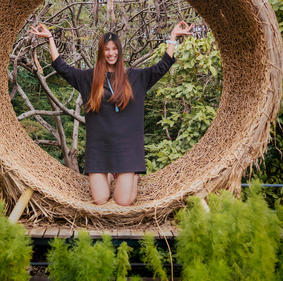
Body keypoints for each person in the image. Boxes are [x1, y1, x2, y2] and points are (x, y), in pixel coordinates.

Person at [29, 21, 193, 206]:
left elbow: (161, 67)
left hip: (127, 149)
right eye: (107, 49)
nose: (111, 53)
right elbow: (62, 67)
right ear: (101, 52)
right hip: (100, 148)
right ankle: (108, 175)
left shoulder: (135, 77)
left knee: (123, 201)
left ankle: (132, 177)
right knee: (100, 200)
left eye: (115, 49)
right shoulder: (89, 78)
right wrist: (50, 38)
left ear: (120, 51)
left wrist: (172, 37)